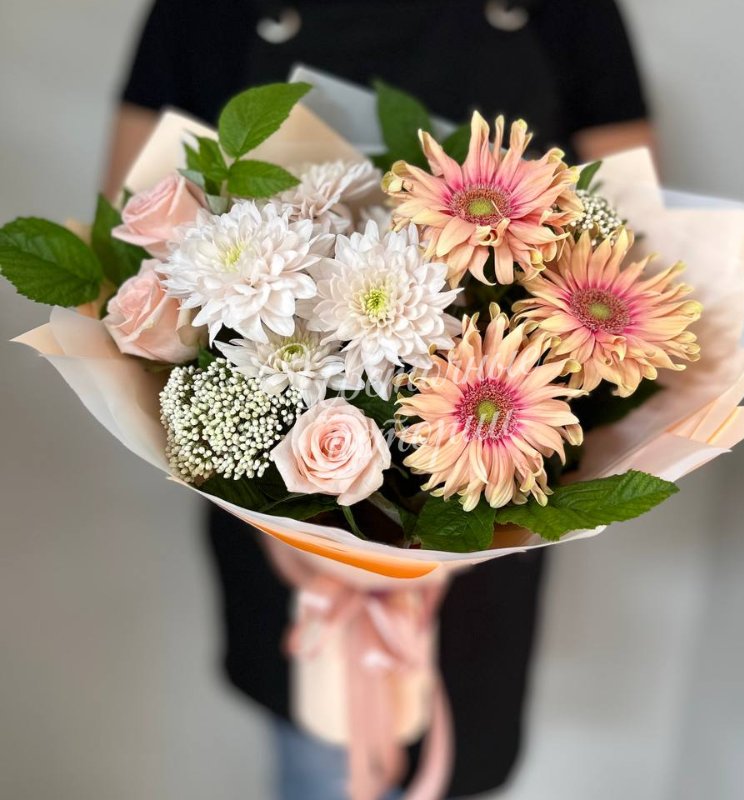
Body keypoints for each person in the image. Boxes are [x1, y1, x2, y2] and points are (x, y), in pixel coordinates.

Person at [106, 1, 653, 797]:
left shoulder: (574, 10)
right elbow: (126, 252)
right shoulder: (199, 11)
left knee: (460, 764)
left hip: (496, 506)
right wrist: (283, 515)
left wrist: (488, 505)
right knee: (314, 760)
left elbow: (632, 243)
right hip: (272, 520)